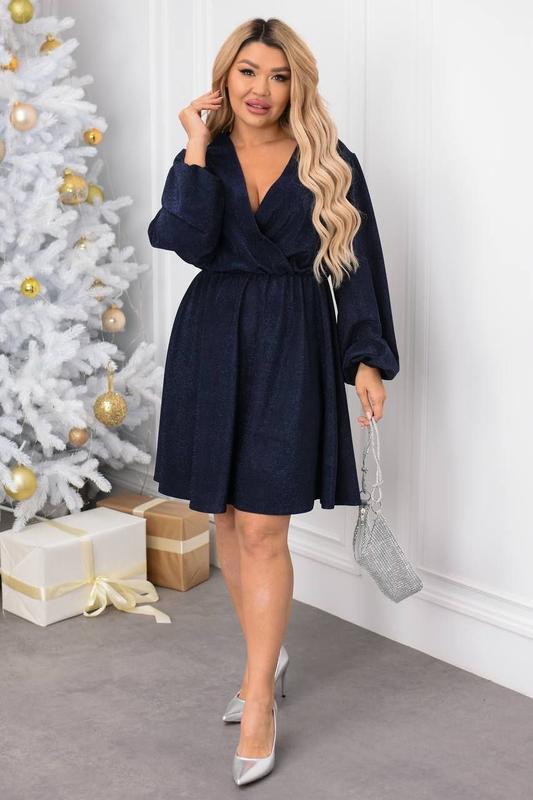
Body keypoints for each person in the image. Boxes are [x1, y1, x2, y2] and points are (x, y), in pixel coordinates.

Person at [147, 16, 400, 786]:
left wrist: (365, 358)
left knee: (263, 525)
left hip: (292, 340)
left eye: (279, 75)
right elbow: (184, 240)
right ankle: (266, 655)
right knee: (226, 516)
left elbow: (356, 264)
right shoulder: (204, 157)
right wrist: (196, 146)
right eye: (248, 72)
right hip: (212, 339)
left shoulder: (330, 160)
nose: (262, 89)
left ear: (297, 85)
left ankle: (257, 695)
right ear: (224, 77)